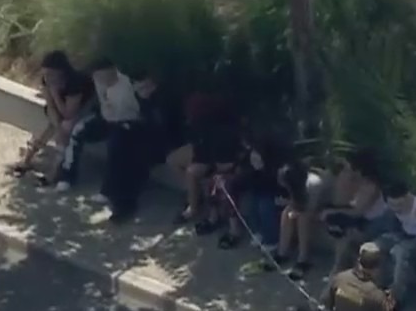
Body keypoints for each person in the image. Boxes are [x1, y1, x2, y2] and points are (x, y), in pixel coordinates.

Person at [9, 50, 92, 183]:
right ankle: (27, 160)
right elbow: (51, 108)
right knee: (53, 126)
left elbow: (68, 113)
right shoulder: (47, 80)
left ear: (61, 72)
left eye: (51, 74)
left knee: (66, 127)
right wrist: (58, 127)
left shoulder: (75, 82)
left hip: (84, 107)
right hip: (61, 106)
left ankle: (54, 172)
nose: (47, 77)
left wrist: (55, 93)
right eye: (45, 74)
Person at [165, 89, 240, 233]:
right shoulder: (199, 120)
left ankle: (192, 208)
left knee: (192, 171)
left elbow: (214, 151)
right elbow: (199, 143)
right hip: (204, 150)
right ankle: (192, 194)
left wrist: (202, 160)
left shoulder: (216, 122)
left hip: (216, 156)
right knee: (172, 160)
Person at [92, 65, 148, 223]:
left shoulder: (129, 87)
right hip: (117, 122)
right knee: (116, 141)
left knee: (121, 146)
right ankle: (115, 196)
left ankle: (123, 202)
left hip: (138, 127)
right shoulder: (102, 83)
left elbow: (142, 115)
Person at [375, 180, 416, 311]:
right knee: (376, 245)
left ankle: (396, 298)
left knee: (400, 252)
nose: (396, 208)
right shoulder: (391, 205)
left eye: (399, 204)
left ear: (407, 197)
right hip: (405, 235)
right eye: (392, 204)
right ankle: (377, 287)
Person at [322, 151, 391, 270]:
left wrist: (333, 212)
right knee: (335, 222)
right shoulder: (357, 181)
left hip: (374, 224)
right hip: (362, 218)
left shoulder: (370, 186)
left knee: (344, 229)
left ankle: (338, 267)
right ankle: (339, 264)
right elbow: (343, 201)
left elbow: (357, 212)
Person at [219, 136, 286, 251]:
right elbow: (244, 178)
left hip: (275, 192)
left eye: (257, 157)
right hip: (259, 190)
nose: (254, 158)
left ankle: (272, 240)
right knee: (253, 204)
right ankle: (258, 232)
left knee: (264, 206)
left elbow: (276, 183)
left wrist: (261, 169)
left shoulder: (276, 166)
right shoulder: (248, 162)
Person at [273, 155, 329, 279]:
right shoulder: (295, 183)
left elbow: (309, 208)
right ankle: (282, 252)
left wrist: (293, 208)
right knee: (286, 213)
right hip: (304, 202)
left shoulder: (312, 184)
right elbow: (297, 201)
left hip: (322, 205)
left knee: (303, 218)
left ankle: (303, 258)